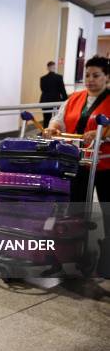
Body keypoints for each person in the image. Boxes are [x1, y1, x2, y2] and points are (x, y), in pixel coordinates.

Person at [43, 56, 109, 276]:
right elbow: (59, 119)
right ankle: (70, 252)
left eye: (96, 75)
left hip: (106, 165)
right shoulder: (75, 98)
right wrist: (53, 127)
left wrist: (100, 134)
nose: (90, 80)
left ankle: (107, 258)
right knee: (74, 209)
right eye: (87, 75)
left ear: (107, 77)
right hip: (77, 162)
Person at [40, 61, 68, 128]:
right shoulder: (59, 77)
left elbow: (43, 89)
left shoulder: (43, 78)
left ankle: (45, 131)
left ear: (47, 68)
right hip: (56, 100)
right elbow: (62, 90)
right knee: (57, 118)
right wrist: (66, 100)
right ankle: (54, 131)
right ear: (54, 67)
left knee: (46, 118)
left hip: (45, 101)